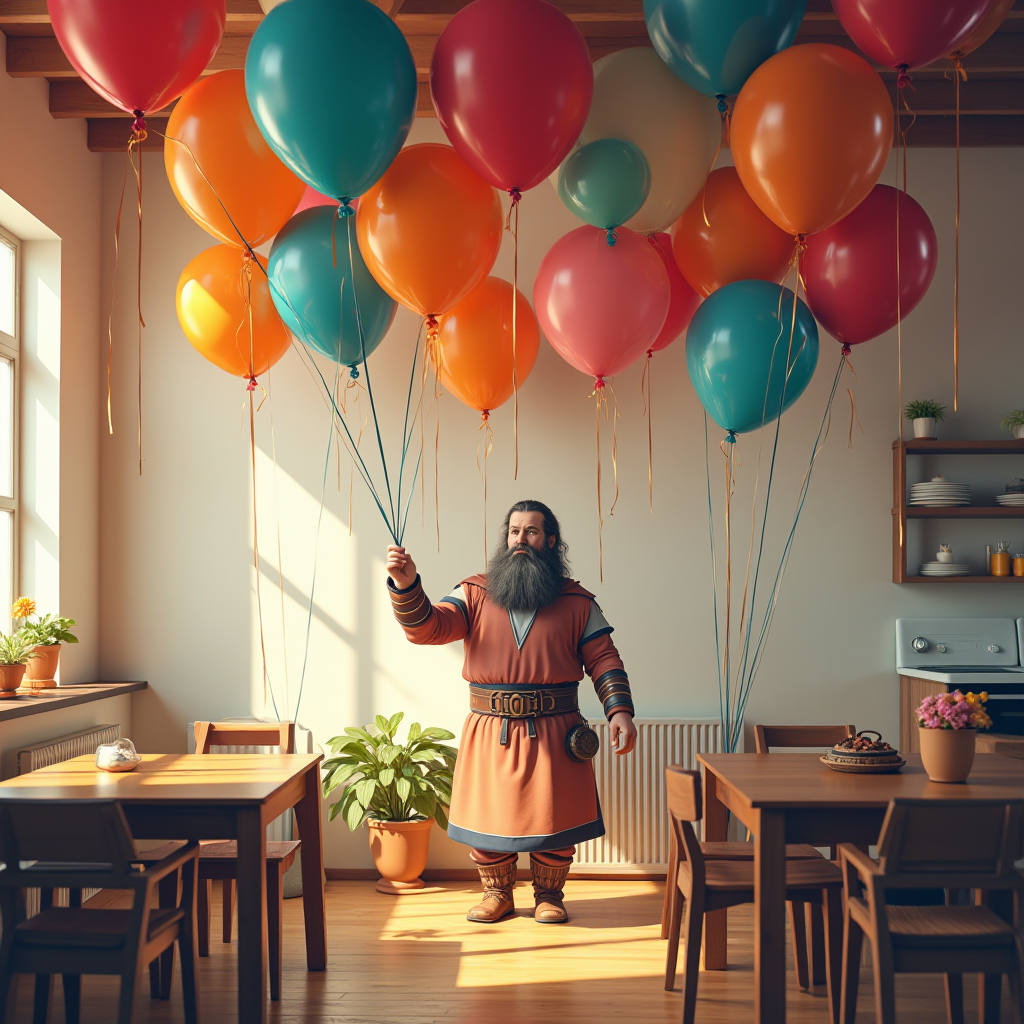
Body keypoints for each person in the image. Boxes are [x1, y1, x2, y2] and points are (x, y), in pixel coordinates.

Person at [386, 499, 636, 924]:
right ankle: (497, 894)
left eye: (532, 531)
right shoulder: (473, 592)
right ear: (506, 538)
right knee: (490, 815)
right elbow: (429, 626)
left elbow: (604, 659)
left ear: (550, 541)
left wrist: (620, 712)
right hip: (491, 728)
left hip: (557, 730)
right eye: (515, 531)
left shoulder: (577, 602)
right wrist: (407, 585)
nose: (522, 539)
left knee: (554, 818)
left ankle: (549, 896)